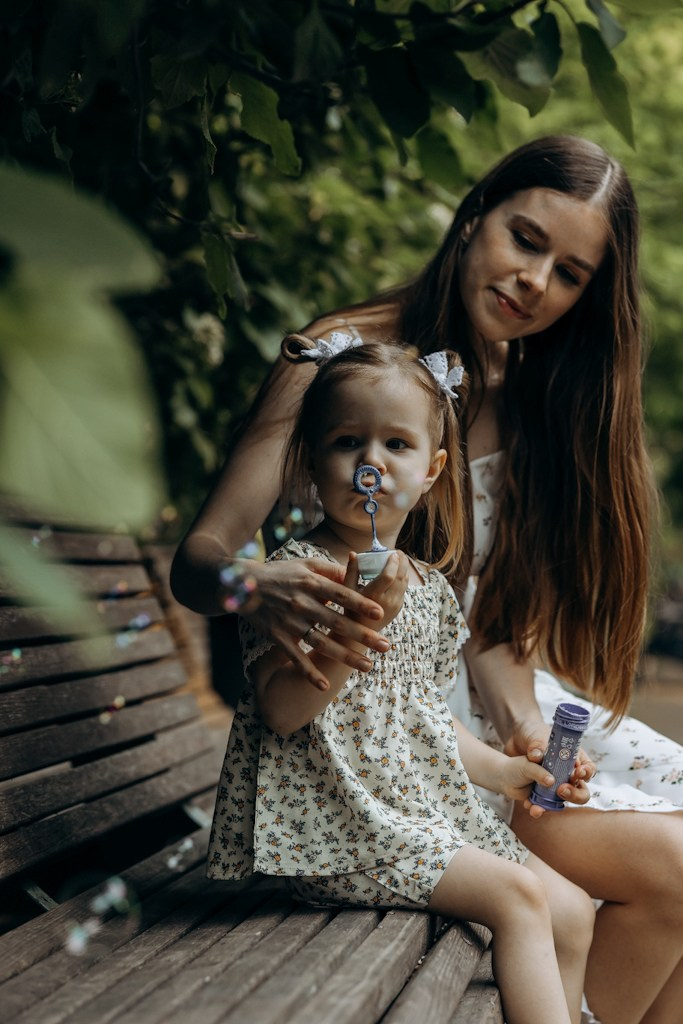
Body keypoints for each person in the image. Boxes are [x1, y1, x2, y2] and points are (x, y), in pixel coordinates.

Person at [172, 136, 683, 1022]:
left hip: (479, 722)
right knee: (674, 874)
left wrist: (527, 730)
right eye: (525, 240)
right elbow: (203, 559)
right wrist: (253, 587)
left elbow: (490, 632)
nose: (534, 282)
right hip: (379, 729)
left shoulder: (530, 404)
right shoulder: (339, 363)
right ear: (475, 213)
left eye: (567, 275)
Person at [208, 341, 594, 1024]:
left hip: (407, 818)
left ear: (431, 470)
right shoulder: (295, 578)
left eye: (395, 444)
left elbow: (420, 718)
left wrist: (505, 772)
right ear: (310, 462)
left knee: (567, 908)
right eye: (346, 441)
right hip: (330, 828)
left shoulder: (428, 588)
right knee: (517, 897)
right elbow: (282, 711)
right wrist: (362, 620)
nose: (370, 464)